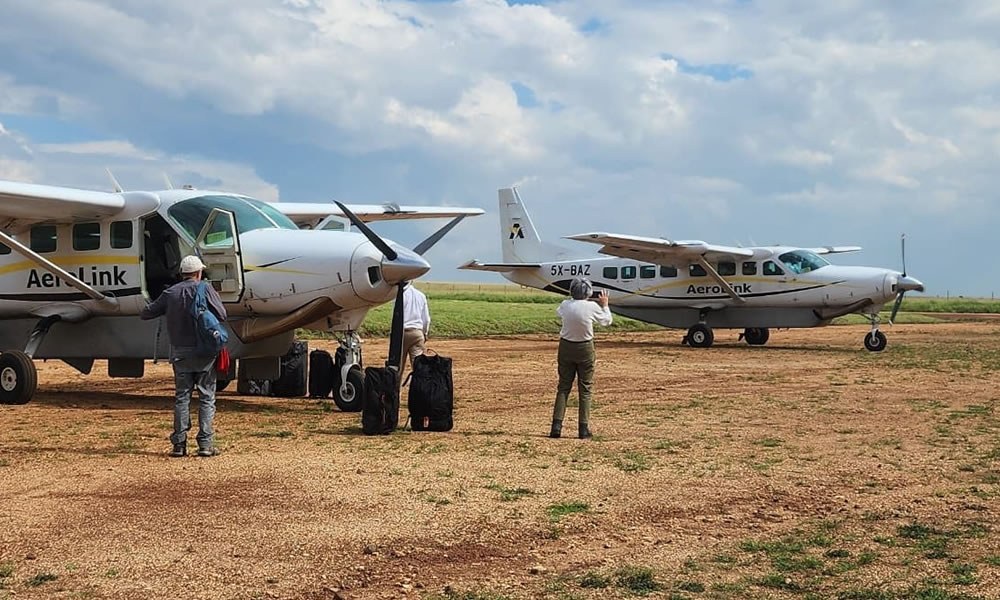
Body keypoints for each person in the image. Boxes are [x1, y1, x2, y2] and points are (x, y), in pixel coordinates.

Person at [141, 255, 228, 458]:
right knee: (207, 398)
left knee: (182, 398)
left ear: (181, 274)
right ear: (198, 273)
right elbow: (222, 314)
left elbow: (146, 313)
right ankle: (205, 445)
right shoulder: (205, 289)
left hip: (180, 353)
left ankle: (179, 445)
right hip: (205, 352)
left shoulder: (170, 293)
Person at [551, 278, 612, 440]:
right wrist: (604, 304)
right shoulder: (592, 307)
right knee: (585, 389)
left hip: (565, 346)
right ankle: (583, 429)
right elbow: (607, 321)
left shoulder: (565, 305)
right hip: (585, 347)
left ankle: (556, 426)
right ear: (589, 292)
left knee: (563, 387)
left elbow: (560, 312)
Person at [399, 282, 430, 376]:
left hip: (402, 332)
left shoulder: (400, 295)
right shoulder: (421, 295)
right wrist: (425, 332)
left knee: (398, 367)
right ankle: (421, 388)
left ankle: (395, 389)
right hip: (417, 332)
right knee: (418, 366)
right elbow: (426, 319)